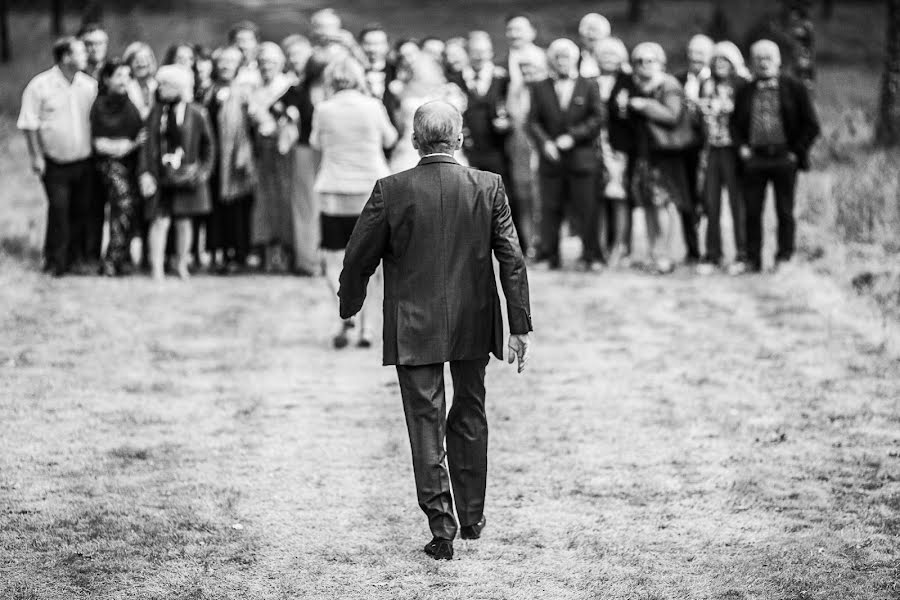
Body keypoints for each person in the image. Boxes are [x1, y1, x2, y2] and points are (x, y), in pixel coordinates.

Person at [338, 100, 532, 561]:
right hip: (473, 317)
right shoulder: (488, 186)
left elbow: (357, 257)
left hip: (413, 322)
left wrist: (350, 302)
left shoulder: (391, 189)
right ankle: (472, 516)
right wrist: (519, 324)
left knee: (424, 420)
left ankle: (442, 527)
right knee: (469, 411)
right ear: (460, 139)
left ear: (413, 140)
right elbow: (512, 259)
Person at [310, 57, 398, 348]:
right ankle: (367, 329)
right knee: (371, 262)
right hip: (370, 189)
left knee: (335, 256)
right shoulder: (372, 106)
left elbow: (315, 143)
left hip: (334, 189)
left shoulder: (324, 109)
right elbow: (390, 138)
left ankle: (344, 313)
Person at [732, 39, 820, 272]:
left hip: (784, 158)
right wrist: (741, 148)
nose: (763, 63)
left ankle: (784, 257)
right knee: (751, 211)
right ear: (752, 62)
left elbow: (812, 125)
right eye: (758, 58)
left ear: (778, 60)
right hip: (755, 159)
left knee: (784, 210)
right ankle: (752, 259)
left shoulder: (794, 88)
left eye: (768, 57)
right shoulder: (745, 91)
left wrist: (795, 152)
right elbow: (734, 125)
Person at [18, 37, 98, 277]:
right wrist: (36, 156)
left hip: (84, 160)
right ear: (66, 57)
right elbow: (29, 123)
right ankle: (55, 261)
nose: (86, 56)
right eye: (81, 52)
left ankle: (75, 258)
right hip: (54, 162)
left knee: (80, 210)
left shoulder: (89, 86)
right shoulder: (40, 86)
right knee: (59, 210)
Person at [608, 42, 690, 275]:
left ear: (660, 62)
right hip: (643, 154)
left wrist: (645, 105)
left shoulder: (668, 85)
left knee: (662, 204)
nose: (644, 65)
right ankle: (655, 254)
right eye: (639, 61)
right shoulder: (635, 86)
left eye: (650, 60)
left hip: (664, 155)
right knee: (649, 206)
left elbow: (672, 116)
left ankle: (665, 256)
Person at [528, 38, 605, 271]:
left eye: (566, 57)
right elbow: (532, 121)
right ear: (552, 60)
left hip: (582, 158)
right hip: (551, 160)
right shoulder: (540, 87)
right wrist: (546, 144)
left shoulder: (589, 85)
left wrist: (573, 136)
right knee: (550, 209)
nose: (562, 61)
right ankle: (548, 256)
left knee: (587, 209)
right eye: (558, 57)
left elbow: (598, 118)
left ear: (575, 60)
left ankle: (592, 257)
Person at [138, 64, 216, 281]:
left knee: (184, 221)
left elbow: (208, 146)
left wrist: (202, 173)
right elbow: (147, 145)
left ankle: (182, 264)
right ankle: (157, 268)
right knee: (159, 221)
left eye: (166, 85)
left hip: (186, 177)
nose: (160, 88)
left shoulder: (197, 113)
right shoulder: (155, 113)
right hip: (160, 175)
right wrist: (145, 172)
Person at [461, 32, 527, 252]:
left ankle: (516, 246)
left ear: (490, 52)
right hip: (467, 149)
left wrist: (507, 123)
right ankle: (474, 248)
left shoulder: (503, 78)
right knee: (468, 200)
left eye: (483, 51)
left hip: (497, 148)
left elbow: (513, 108)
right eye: (475, 51)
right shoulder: (457, 79)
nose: (479, 56)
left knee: (506, 196)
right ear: (468, 53)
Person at [696, 41, 751, 276]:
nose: (720, 65)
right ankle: (712, 253)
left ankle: (742, 253)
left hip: (733, 149)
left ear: (733, 62)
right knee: (711, 202)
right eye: (716, 60)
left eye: (725, 60)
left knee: (737, 203)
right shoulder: (706, 84)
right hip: (711, 148)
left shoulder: (743, 85)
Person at [248, 42, 301, 272]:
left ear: (279, 63)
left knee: (286, 200)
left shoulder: (289, 86)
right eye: (262, 62)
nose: (266, 66)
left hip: (286, 152)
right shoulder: (255, 90)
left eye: (270, 62)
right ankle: (268, 253)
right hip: (263, 153)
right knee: (265, 201)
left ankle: (289, 252)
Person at [91, 59, 145, 276]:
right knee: (123, 205)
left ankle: (122, 257)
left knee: (127, 209)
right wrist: (130, 145)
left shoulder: (129, 102)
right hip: (111, 165)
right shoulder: (101, 105)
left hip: (131, 164)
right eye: (119, 75)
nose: (124, 80)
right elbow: (101, 144)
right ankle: (111, 260)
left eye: (127, 75)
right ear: (107, 79)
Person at [206, 45, 257, 275]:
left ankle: (239, 254)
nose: (226, 65)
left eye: (231, 61)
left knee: (238, 207)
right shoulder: (209, 90)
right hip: (214, 157)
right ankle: (221, 252)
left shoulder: (245, 91)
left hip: (237, 159)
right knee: (218, 208)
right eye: (222, 61)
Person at [280, 35, 320, 276]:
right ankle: (307, 260)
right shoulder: (295, 90)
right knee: (306, 207)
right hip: (305, 151)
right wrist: (286, 115)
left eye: (300, 54)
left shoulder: (327, 87)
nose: (296, 59)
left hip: (329, 153)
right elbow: (275, 108)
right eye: (291, 55)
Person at [388, 54, 467, 173]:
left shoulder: (448, 91)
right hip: (409, 147)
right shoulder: (402, 90)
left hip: (442, 145)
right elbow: (399, 121)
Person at [674, 34, 714, 266]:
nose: (694, 57)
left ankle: (712, 249)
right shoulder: (677, 80)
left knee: (709, 199)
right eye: (691, 52)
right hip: (685, 149)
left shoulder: (718, 81)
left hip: (712, 149)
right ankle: (692, 249)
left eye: (700, 53)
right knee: (687, 199)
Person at [594, 37, 632, 267]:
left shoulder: (628, 81)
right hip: (594, 145)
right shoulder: (589, 81)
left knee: (619, 197)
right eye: (604, 54)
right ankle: (599, 246)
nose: (608, 59)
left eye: (613, 54)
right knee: (597, 197)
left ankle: (620, 246)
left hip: (619, 148)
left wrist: (626, 150)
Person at [123, 42, 158, 120]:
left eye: (145, 59)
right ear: (129, 63)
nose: (141, 63)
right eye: (137, 60)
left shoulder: (157, 86)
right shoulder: (124, 87)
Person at [229, 20, 262, 89]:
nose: (242, 45)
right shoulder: (221, 70)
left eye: (247, 41)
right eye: (237, 41)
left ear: (257, 43)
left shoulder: (263, 69)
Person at [577, 13, 611, 78]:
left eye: (595, 30)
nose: (591, 34)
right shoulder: (575, 55)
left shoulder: (611, 58)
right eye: (588, 29)